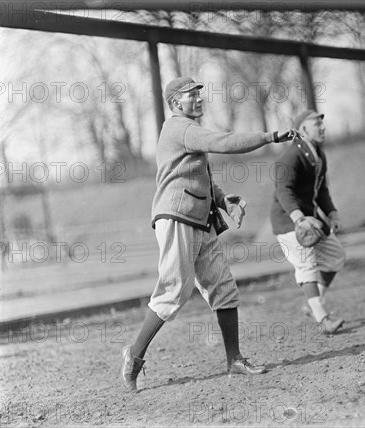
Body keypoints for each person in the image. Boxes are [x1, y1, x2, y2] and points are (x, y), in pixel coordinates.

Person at [121, 76, 298, 391]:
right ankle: (134, 355)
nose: (199, 99)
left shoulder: (187, 131)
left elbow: (196, 175)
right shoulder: (178, 128)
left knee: (223, 287)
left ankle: (235, 360)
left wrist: (221, 198)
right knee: (175, 290)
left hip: (199, 220)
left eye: (199, 94)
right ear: (177, 102)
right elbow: (224, 142)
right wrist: (269, 136)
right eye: (192, 94)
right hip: (176, 217)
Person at [270, 109, 346, 334]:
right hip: (290, 222)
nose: (322, 127)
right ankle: (323, 318)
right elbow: (283, 190)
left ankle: (313, 303)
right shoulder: (290, 157)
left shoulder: (318, 154)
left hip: (311, 220)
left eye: (322, 123)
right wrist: (298, 218)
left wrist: (331, 213)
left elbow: (321, 190)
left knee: (335, 255)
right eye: (316, 124)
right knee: (307, 266)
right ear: (302, 130)